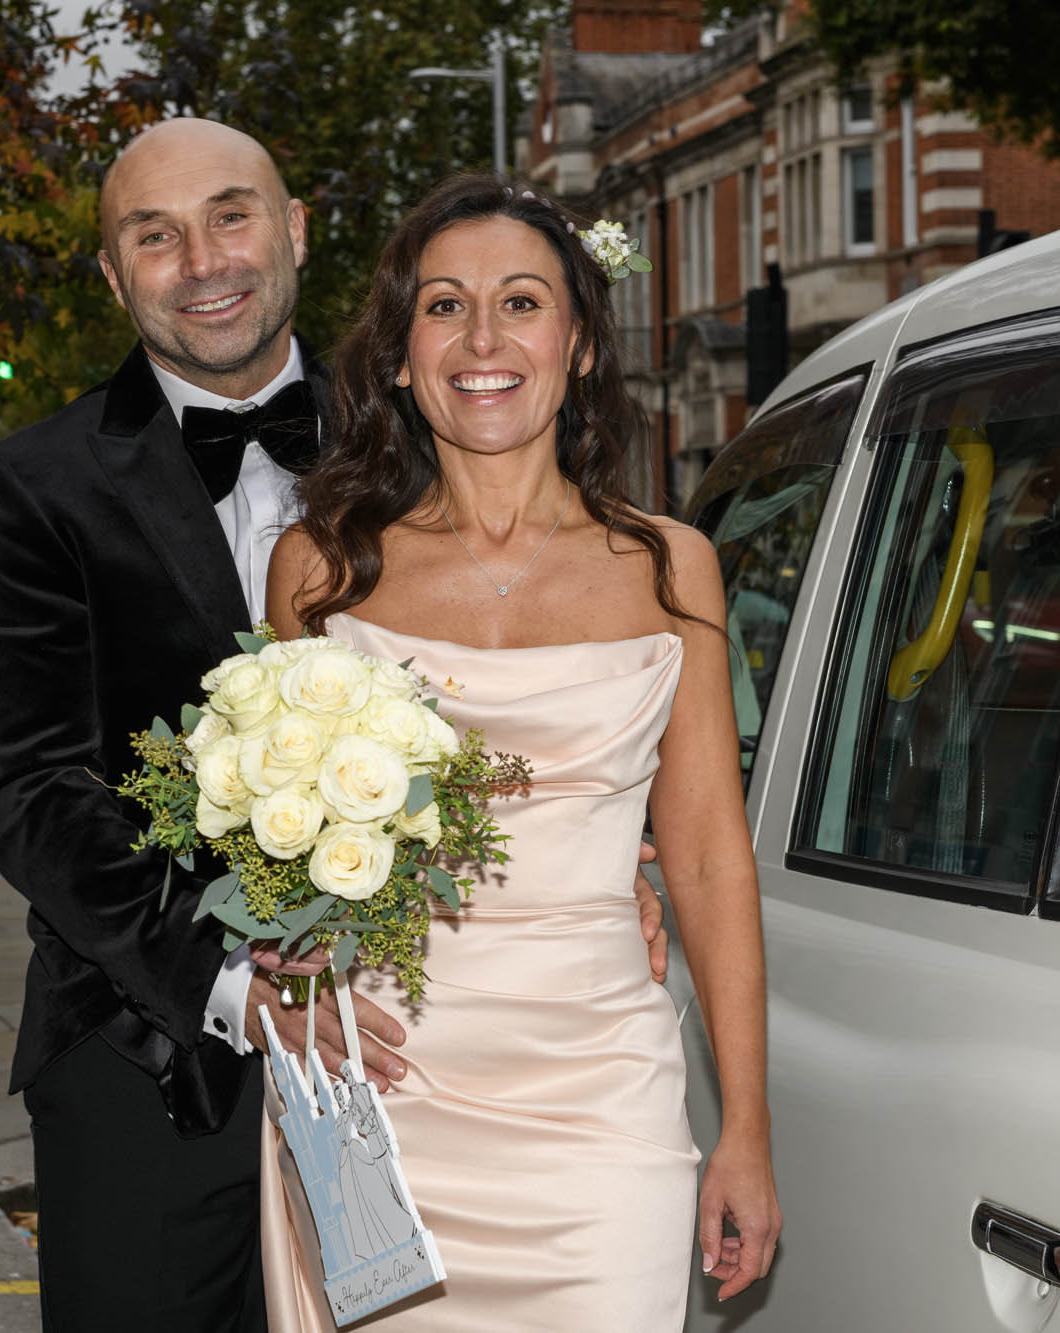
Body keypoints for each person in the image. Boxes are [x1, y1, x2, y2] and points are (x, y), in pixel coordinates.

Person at [0, 118, 674, 1333]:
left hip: (429, 1057)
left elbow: (553, 670)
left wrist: (610, 853)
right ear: (113, 274)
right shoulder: (38, 483)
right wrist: (232, 980)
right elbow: (30, 793)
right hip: (152, 1053)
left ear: (292, 230)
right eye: (154, 235)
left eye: (230, 216)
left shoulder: (447, 415)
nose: (203, 261)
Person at [261, 176, 782, 1328]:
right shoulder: (317, 569)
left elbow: (706, 858)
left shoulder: (669, 568)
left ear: (579, 343)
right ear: (401, 357)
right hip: (380, 1083)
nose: (482, 340)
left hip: (601, 1101)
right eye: (444, 306)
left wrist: (743, 1125)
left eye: (521, 303)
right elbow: (272, 852)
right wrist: (277, 982)